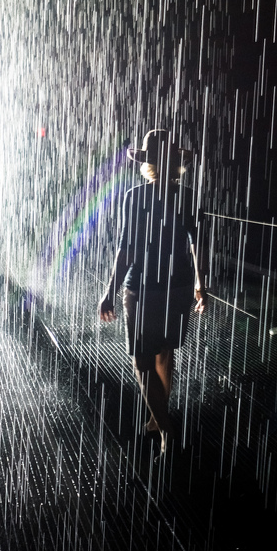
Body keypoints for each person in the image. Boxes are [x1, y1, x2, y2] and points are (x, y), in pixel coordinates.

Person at [98, 129, 208, 457]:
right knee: (164, 353)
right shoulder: (186, 196)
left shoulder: (135, 196)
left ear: (147, 163)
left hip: (143, 288)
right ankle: (156, 416)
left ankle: (166, 431)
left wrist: (109, 292)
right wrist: (202, 285)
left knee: (142, 362)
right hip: (179, 286)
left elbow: (126, 250)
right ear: (176, 163)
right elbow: (197, 244)